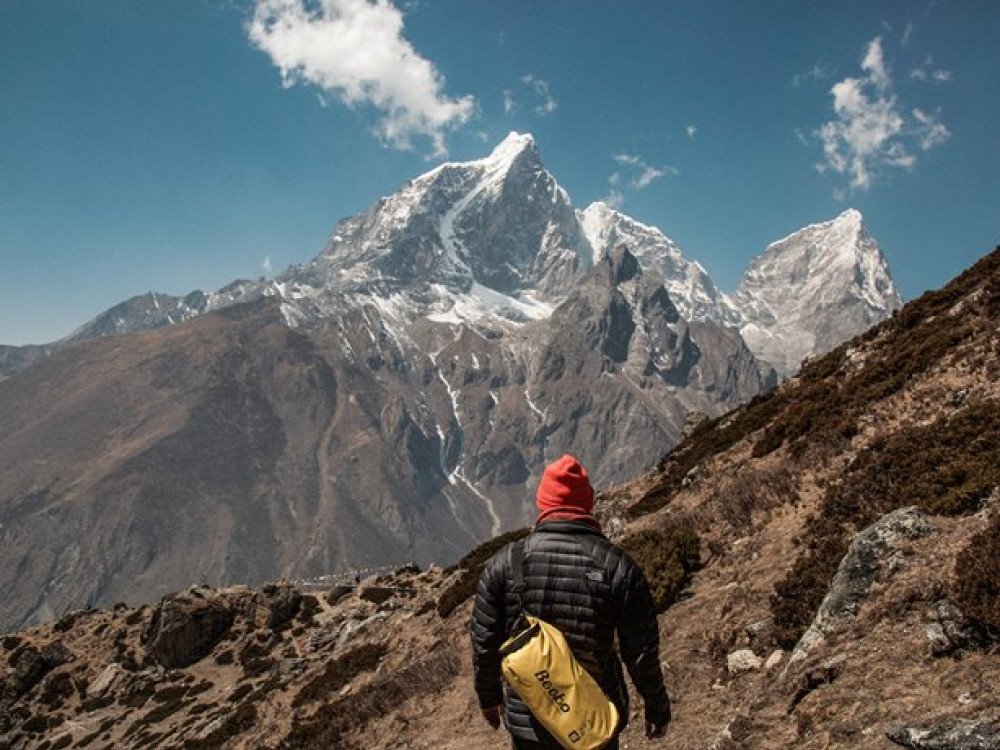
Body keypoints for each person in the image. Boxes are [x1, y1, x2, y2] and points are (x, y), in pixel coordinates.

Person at [471, 454, 671, 749]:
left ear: (543, 502)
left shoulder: (506, 562)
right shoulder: (616, 566)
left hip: (530, 716)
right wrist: (656, 707)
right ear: (586, 503)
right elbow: (640, 652)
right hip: (593, 718)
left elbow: (484, 641)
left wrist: (489, 698)